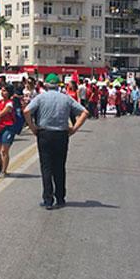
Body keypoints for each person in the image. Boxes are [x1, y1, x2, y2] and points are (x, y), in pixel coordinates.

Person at [23, 73, 89, 210]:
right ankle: (60, 197)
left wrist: (33, 127)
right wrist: (74, 129)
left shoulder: (40, 98)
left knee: (46, 167)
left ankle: (48, 199)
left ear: (46, 85)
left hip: (45, 134)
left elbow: (26, 111)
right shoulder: (66, 99)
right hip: (61, 134)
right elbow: (85, 112)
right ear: (58, 85)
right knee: (59, 167)